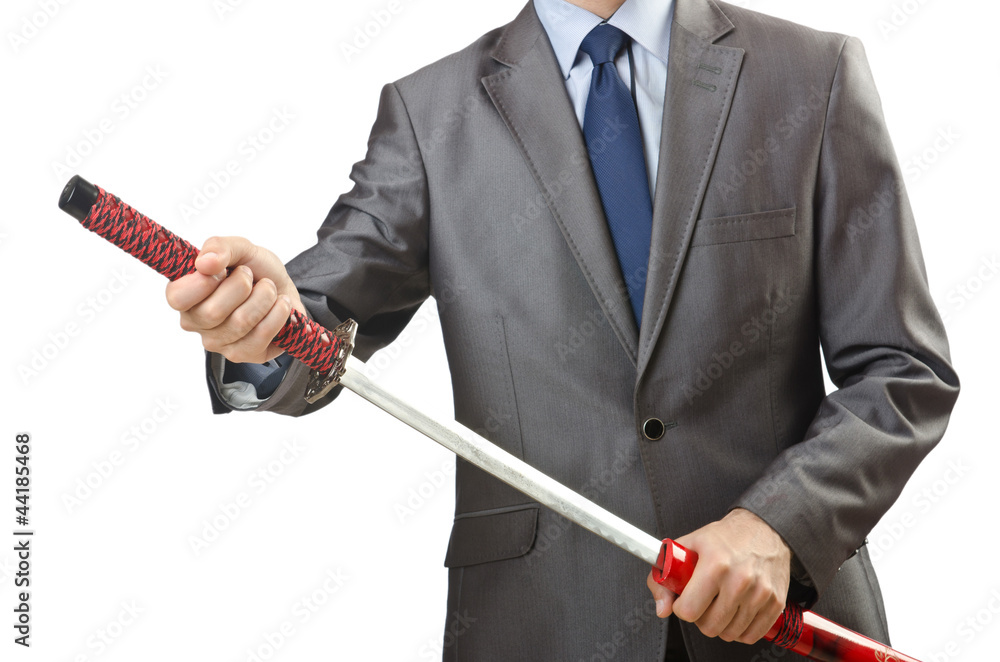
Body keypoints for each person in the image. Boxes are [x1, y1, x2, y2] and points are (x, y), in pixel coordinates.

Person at [165, 0, 959, 659]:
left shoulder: (812, 74)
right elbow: (311, 313)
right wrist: (257, 327)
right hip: (537, 624)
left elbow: (902, 370)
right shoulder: (429, 115)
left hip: (783, 625)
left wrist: (776, 525)